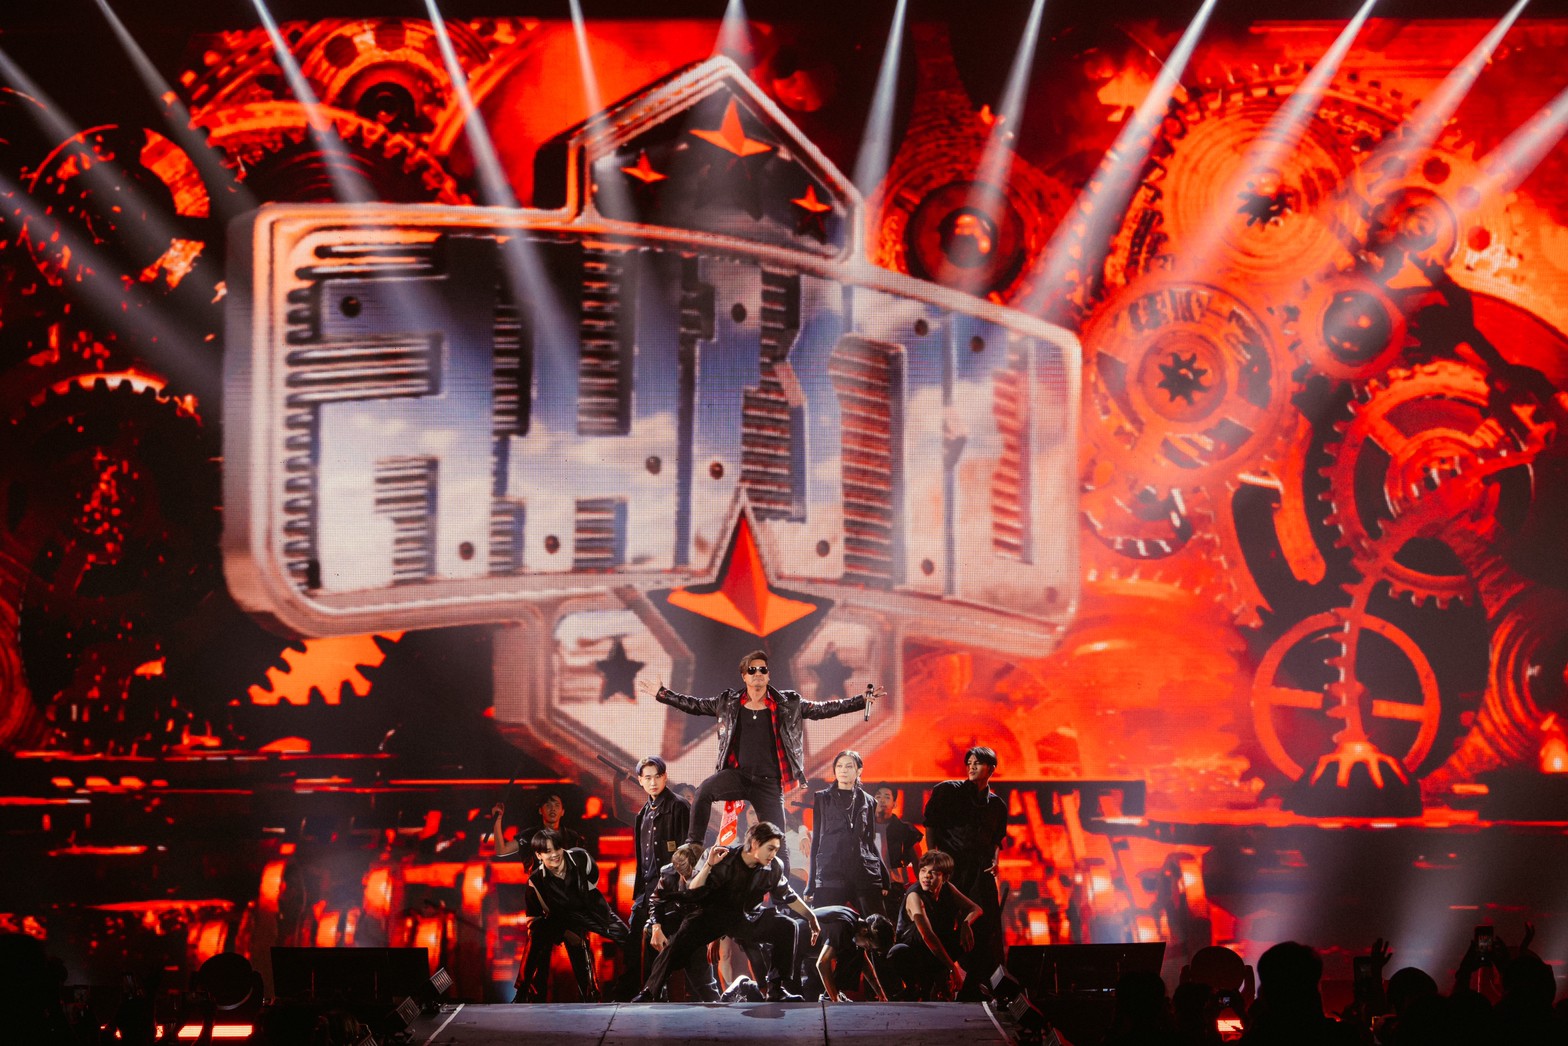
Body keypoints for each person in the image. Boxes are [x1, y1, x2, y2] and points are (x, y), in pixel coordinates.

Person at [637, 650, 880, 866]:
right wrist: (662, 694)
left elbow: (823, 709)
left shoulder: (788, 703)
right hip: (738, 776)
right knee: (704, 791)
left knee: (778, 842)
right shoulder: (728, 702)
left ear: (768, 675)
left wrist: (860, 701)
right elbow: (694, 705)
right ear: (744, 676)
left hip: (768, 783)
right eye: (752, 670)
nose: (758, 674)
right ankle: (694, 845)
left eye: (762, 669)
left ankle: (782, 893)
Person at [630, 821, 822, 1003]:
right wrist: (708, 865)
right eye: (770, 848)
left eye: (776, 850)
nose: (773, 854)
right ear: (755, 843)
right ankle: (649, 992)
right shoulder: (722, 857)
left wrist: (811, 917)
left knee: (787, 925)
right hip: (711, 916)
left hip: (747, 919)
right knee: (676, 946)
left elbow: (787, 895)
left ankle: (776, 990)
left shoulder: (773, 866)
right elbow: (693, 889)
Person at [492, 809, 628, 1003]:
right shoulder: (536, 881)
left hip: (586, 911)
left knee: (623, 937)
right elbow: (543, 916)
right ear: (538, 856)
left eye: (556, 849)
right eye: (547, 852)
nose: (554, 855)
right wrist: (565, 931)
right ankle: (523, 992)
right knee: (540, 935)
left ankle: (596, 993)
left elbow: (591, 886)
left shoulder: (579, 859)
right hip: (553, 919)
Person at [922, 746, 1008, 991]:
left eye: (977, 763)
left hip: (980, 872)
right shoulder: (948, 791)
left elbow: (996, 839)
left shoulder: (997, 805)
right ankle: (941, 983)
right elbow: (931, 824)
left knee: (986, 927)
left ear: (991, 769)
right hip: (951, 868)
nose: (971, 767)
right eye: (969, 763)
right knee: (945, 923)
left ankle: (983, 984)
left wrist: (995, 860)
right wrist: (933, 858)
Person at [623, 756, 691, 996]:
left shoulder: (679, 806)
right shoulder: (643, 814)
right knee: (634, 945)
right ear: (640, 781)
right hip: (646, 892)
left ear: (665, 777)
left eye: (657, 777)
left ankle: (661, 997)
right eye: (648, 778)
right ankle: (645, 995)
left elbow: (689, 853)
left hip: (670, 893)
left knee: (671, 953)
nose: (653, 782)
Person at [886, 850, 981, 1000]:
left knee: (976, 928)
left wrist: (965, 923)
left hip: (935, 948)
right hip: (915, 952)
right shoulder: (915, 895)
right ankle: (919, 987)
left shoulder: (947, 888)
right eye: (923, 871)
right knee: (904, 949)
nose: (927, 876)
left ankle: (970, 985)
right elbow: (927, 936)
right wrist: (952, 967)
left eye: (934, 873)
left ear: (945, 877)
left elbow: (976, 909)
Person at [807, 750, 887, 916]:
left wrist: (884, 875)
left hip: (863, 873)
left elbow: (869, 842)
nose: (843, 770)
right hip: (831, 873)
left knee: (877, 922)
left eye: (849, 766)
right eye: (839, 766)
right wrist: (811, 882)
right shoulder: (822, 798)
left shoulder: (869, 801)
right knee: (825, 923)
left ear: (859, 771)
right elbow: (816, 842)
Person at [645, 842, 721, 1001]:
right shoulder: (668, 873)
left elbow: (721, 908)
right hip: (676, 920)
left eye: (689, 875)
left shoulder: (713, 875)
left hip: (699, 925)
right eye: (681, 874)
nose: (684, 879)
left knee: (704, 986)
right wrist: (656, 927)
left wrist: (716, 937)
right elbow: (656, 901)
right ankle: (654, 991)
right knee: (650, 930)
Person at [807, 906, 894, 1002]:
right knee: (853, 951)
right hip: (797, 943)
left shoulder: (854, 923)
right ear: (864, 931)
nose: (867, 949)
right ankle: (830, 997)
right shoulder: (845, 926)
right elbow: (822, 964)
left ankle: (831, 995)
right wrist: (835, 1000)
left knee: (856, 952)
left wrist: (882, 996)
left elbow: (865, 966)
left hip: (806, 944)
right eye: (868, 945)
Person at [871, 783, 923, 915]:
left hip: (896, 888)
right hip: (869, 887)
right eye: (878, 796)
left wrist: (921, 889)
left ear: (894, 804)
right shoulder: (863, 827)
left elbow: (918, 862)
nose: (882, 800)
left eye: (887, 797)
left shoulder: (905, 830)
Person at [519, 792, 586, 868]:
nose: (552, 809)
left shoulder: (573, 837)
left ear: (562, 812)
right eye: (548, 805)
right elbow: (507, 849)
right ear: (540, 810)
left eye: (557, 805)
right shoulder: (529, 836)